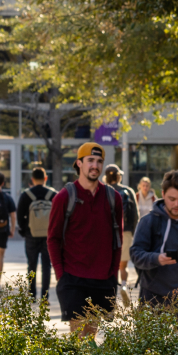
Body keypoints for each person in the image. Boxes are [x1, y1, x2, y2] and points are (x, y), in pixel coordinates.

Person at [47, 143, 124, 336]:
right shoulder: (64, 197)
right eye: (90, 160)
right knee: (79, 336)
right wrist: (60, 274)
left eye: (99, 161)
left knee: (91, 335)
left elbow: (118, 240)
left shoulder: (113, 198)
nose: (95, 165)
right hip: (73, 278)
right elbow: (53, 238)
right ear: (79, 163)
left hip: (103, 278)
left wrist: (113, 274)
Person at [130, 170, 178, 344]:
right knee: (150, 354)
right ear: (163, 194)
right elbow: (135, 254)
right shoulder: (149, 221)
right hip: (152, 294)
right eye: (172, 199)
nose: (177, 205)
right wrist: (156, 258)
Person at [16, 167, 57, 300]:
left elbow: (20, 215)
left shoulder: (26, 195)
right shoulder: (53, 195)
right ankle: (45, 296)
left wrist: (24, 231)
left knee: (31, 264)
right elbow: (59, 215)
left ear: (32, 180)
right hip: (48, 236)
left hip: (31, 234)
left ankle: (32, 294)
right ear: (46, 178)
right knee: (46, 265)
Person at [104, 165, 139, 300]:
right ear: (119, 176)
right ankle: (123, 286)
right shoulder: (128, 191)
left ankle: (111, 293)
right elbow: (135, 215)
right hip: (126, 232)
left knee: (110, 265)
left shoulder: (103, 191)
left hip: (107, 234)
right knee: (122, 265)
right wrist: (135, 233)